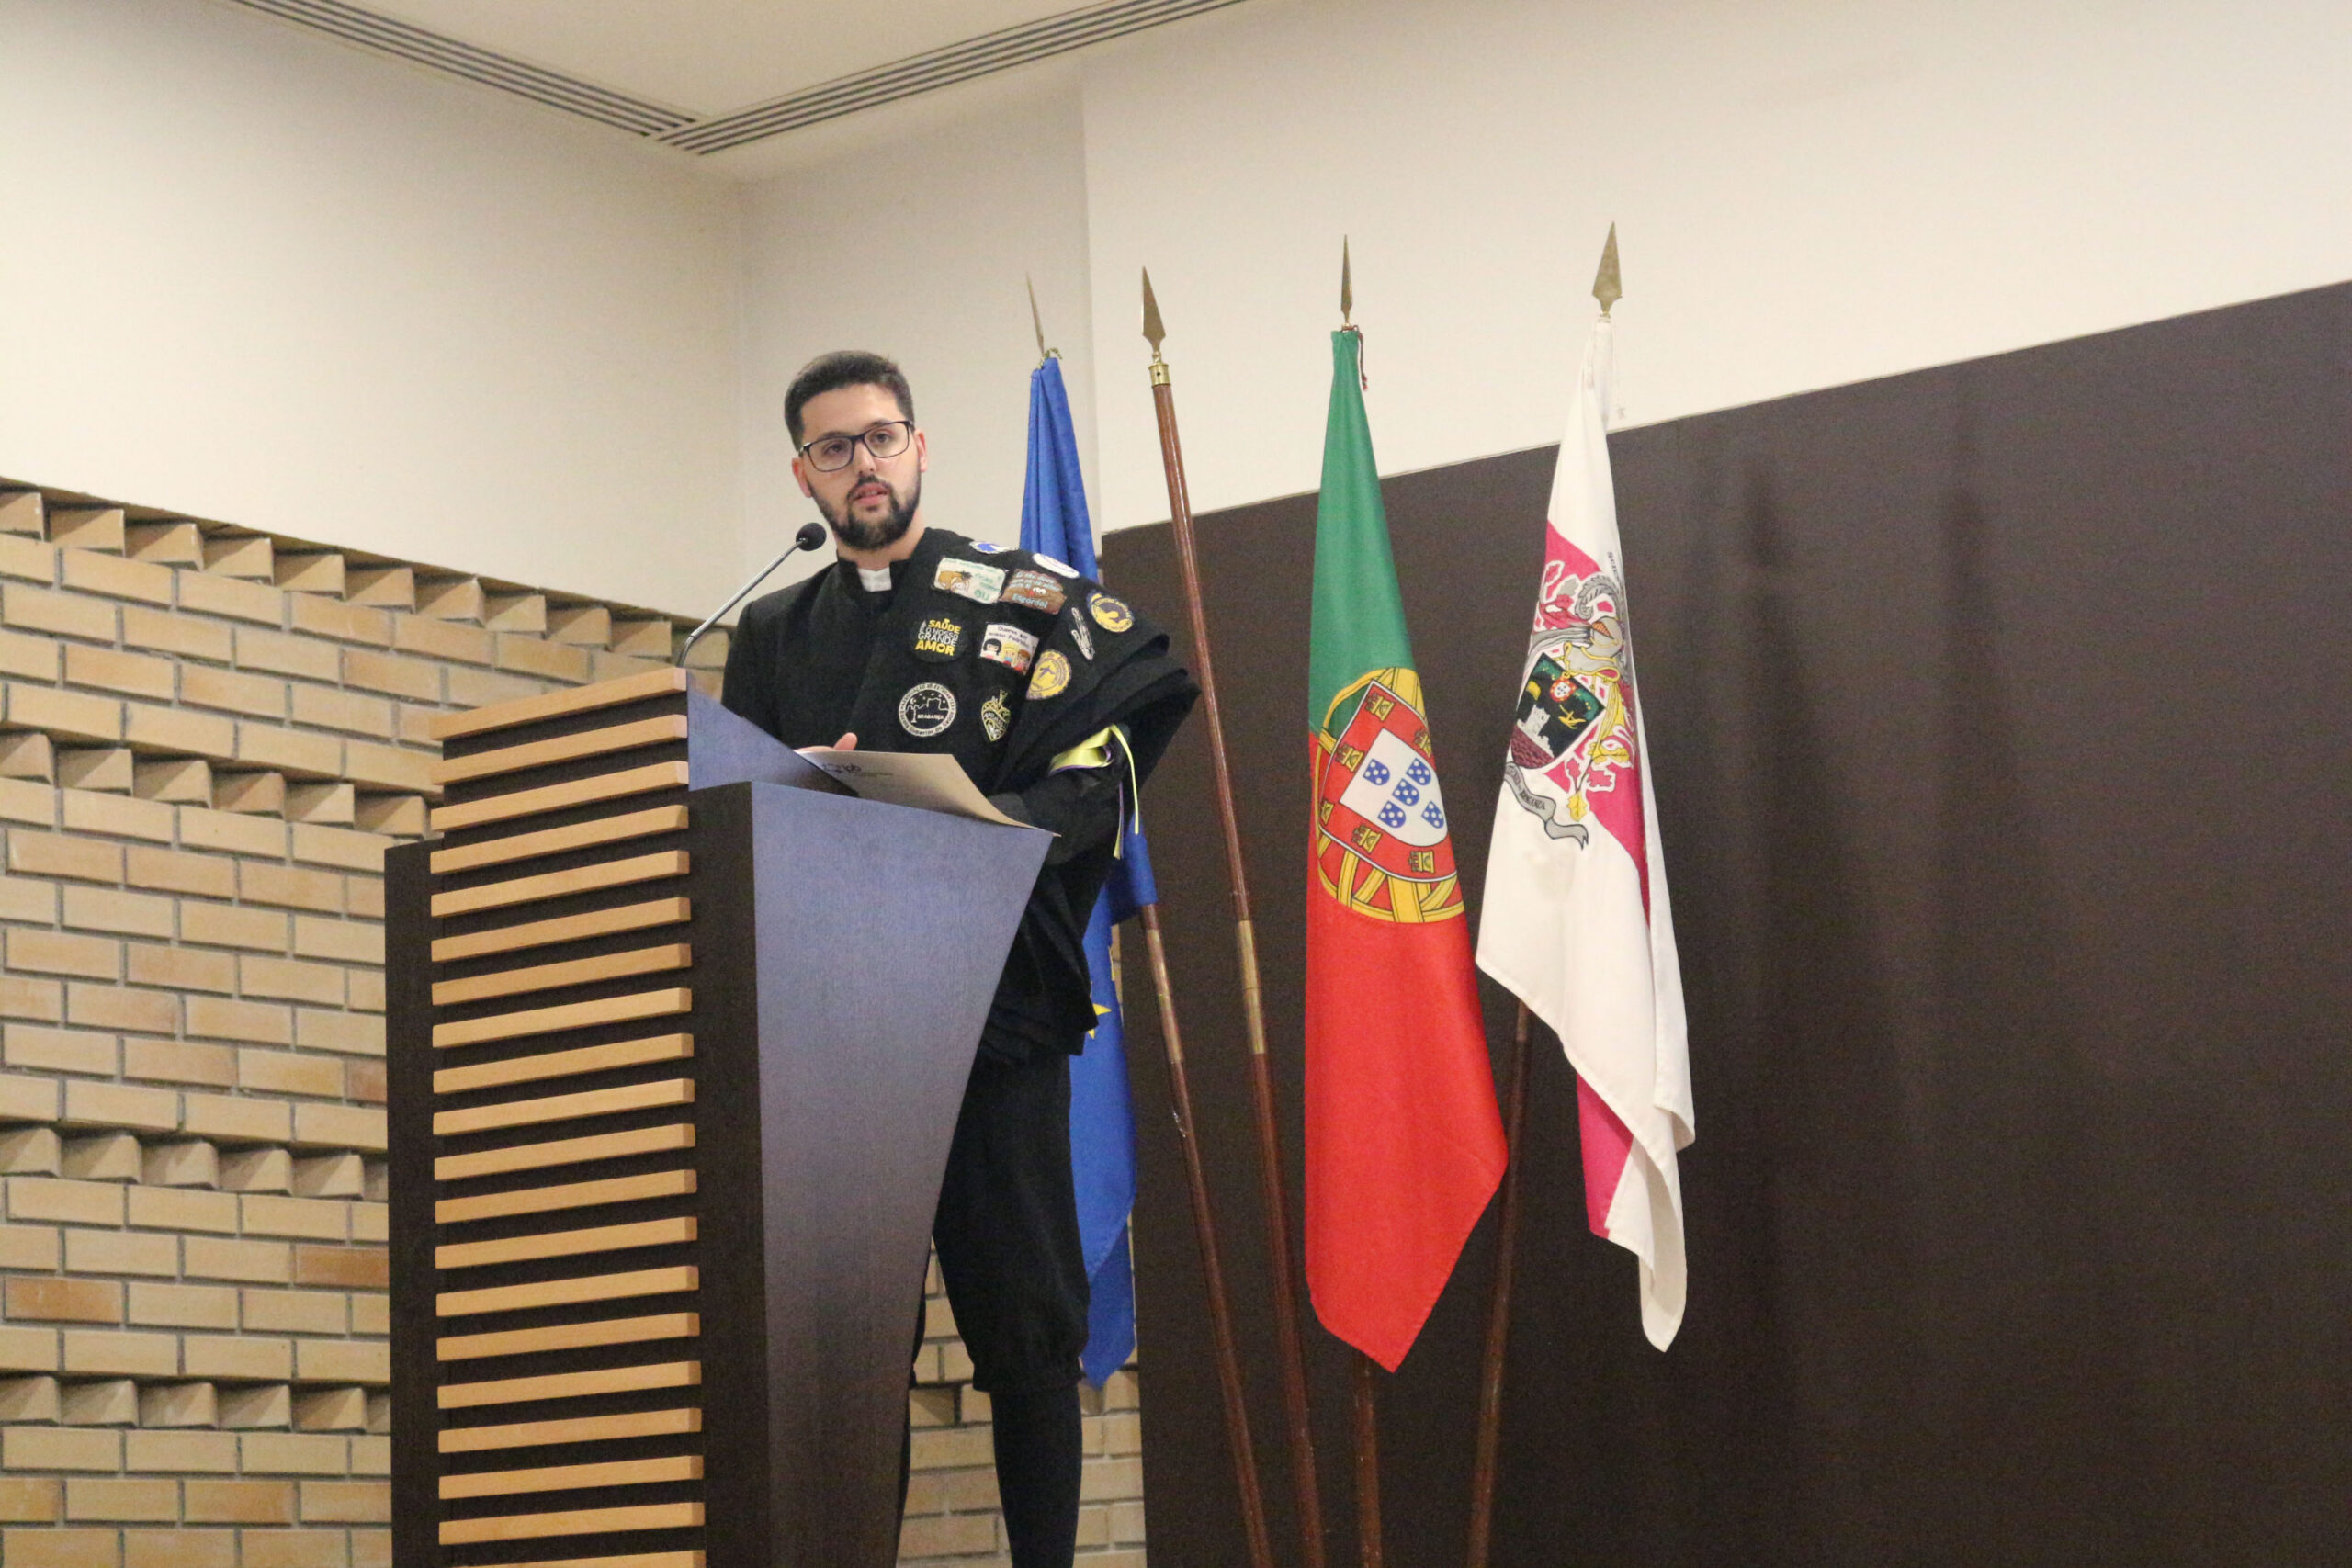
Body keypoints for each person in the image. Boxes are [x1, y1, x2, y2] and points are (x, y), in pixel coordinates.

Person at [720, 351, 1196, 1568]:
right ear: (804, 475)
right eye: (836, 449)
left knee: (1026, 1329)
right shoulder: (771, 630)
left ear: (920, 448)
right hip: (835, 1036)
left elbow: (1111, 767)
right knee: (844, 1343)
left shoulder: (1024, 600)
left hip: (995, 1012)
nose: (863, 466)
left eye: (881, 438)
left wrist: (980, 828)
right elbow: (740, 817)